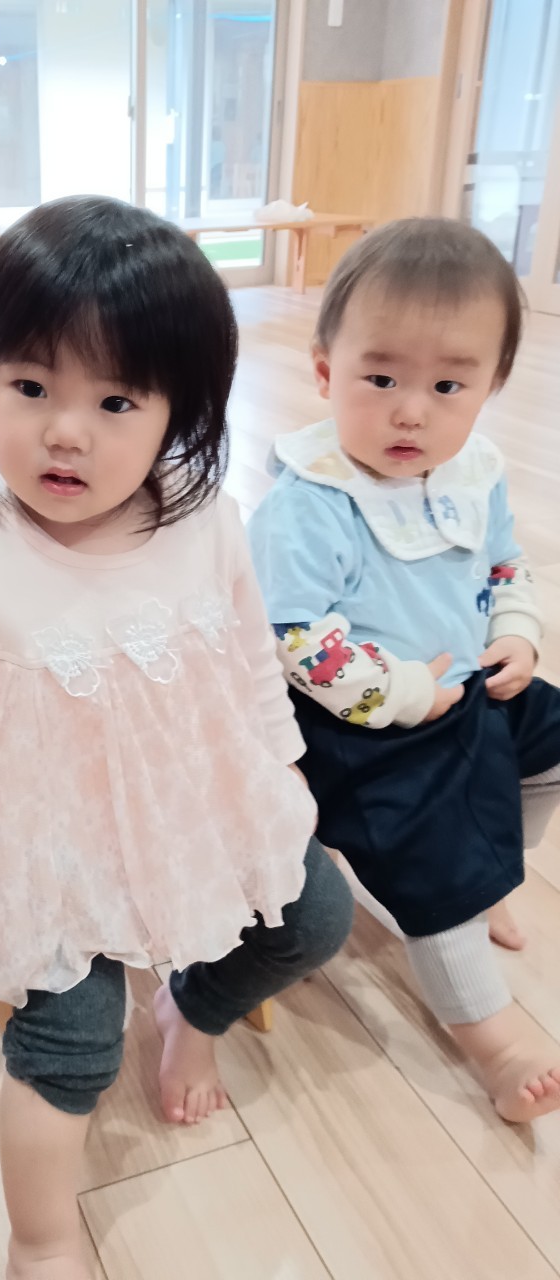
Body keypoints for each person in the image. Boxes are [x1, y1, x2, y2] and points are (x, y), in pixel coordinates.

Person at [0, 195, 354, 1280]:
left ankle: (194, 1011)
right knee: (69, 1041)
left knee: (319, 917)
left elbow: (251, 661)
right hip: (47, 843)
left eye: (115, 400)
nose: (66, 431)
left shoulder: (206, 521)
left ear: (178, 413)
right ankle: (42, 1235)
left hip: (195, 801)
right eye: (30, 388)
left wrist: (282, 774)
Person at [247, 217, 560, 1125]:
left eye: (448, 385)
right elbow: (297, 638)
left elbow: (503, 565)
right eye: (380, 379)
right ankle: (495, 1042)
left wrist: (517, 632)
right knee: (439, 867)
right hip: (362, 724)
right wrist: (407, 693)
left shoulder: (473, 472)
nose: (411, 411)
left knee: (549, 747)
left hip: (470, 688)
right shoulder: (313, 502)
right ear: (325, 372)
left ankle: (495, 869)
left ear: (490, 386)